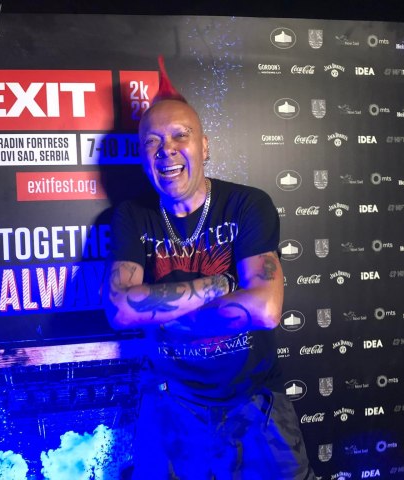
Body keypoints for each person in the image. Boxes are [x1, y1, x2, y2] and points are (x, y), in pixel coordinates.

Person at [104, 56, 314, 480]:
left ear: (205, 146)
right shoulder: (132, 216)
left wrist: (165, 314)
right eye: (152, 142)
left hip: (254, 401)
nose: (166, 150)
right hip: (170, 403)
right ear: (142, 156)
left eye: (180, 135)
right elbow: (121, 310)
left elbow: (266, 309)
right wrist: (220, 284)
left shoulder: (247, 204)